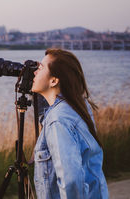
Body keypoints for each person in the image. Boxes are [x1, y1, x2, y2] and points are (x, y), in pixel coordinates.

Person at [31, 48, 108, 198]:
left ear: (54, 80)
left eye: (40, 68)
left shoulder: (58, 120)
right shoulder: (77, 105)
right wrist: (40, 93)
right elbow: (51, 108)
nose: (35, 72)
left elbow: (71, 180)